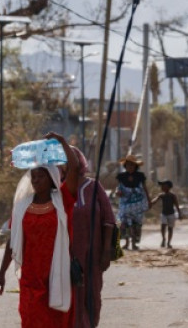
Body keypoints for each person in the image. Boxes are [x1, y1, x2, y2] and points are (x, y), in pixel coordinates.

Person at [0, 133, 81, 327]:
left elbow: (75, 167)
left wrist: (62, 141)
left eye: (40, 176)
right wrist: (1, 274)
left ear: (51, 177)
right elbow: (13, 241)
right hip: (31, 278)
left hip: (57, 275)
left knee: (55, 321)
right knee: (31, 319)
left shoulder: (63, 200)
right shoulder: (22, 206)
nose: (35, 180)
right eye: (33, 176)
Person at [54, 138, 115, 328]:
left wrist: (106, 252)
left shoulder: (94, 187)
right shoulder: (57, 190)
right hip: (66, 256)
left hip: (93, 255)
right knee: (70, 299)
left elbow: (109, 221)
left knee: (92, 296)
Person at [115, 154, 150, 250]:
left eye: (132, 165)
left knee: (136, 224)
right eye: (128, 165)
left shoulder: (140, 176)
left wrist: (149, 200)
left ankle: (134, 243)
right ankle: (126, 243)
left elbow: (145, 189)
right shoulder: (121, 176)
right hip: (125, 204)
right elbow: (118, 188)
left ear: (136, 166)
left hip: (138, 204)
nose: (130, 167)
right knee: (124, 223)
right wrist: (117, 192)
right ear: (125, 166)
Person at [150, 180, 182, 248]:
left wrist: (179, 213)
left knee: (170, 228)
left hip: (171, 214)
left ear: (168, 187)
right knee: (163, 226)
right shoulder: (162, 195)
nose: (162, 187)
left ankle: (169, 242)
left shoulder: (172, 196)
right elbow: (155, 200)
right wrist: (150, 203)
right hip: (164, 213)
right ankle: (163, 239)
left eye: (164, 186)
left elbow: (176, 205)